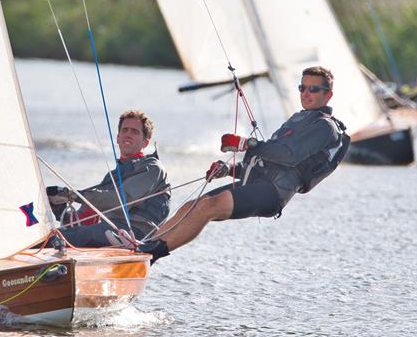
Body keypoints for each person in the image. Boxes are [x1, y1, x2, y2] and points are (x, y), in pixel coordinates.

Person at [139, 66, 350, 264]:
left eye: (313, 89)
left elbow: (287, 157)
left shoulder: (325, 127)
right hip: (256, 182)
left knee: (208, 207)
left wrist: (245, 144)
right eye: (302, 87)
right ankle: (143, 246)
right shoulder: (298, 119)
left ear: (328, 95)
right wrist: (229, 169)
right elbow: (264, 161)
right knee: (192, 205)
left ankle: (150, 255)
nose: (306, 93)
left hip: (274, 193)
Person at [46, 110, 170, 248]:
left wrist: (73, 195)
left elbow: (122, 198)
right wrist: (58, 205)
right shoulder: (112, 176)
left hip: (138, 235)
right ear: (117, 137)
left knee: (55, 239)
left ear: (145, 142)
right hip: (109, 232)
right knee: (59, 235)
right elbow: (82, 221)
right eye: (125, 130)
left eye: (135, 132)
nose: (128, 134)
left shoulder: (152, 168)